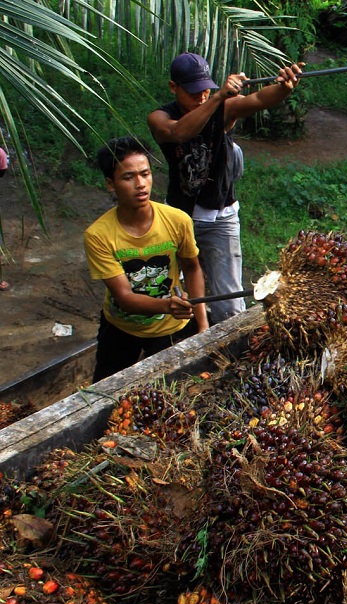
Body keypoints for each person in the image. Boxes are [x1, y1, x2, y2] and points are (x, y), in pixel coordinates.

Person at [147, 53, 303, 325]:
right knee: (171, 293)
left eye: (206, 89)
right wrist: (218, 97)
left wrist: (282, 87)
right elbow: (180, 133)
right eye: (194, 91)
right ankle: (186, 335)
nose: (202, 96)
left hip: (221, 218)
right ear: (174, 87)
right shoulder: (160, 118)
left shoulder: (224, 107)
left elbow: (257, 100)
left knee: (230, 304)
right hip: (179, 218)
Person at [84, 136, 208, 382]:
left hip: (171, 328)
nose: (141, 184)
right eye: (128, 177)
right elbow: (126, 298)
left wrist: (203, 325)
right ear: (111, 183)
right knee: (105, 395)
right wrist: (167, 306)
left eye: (145, 174)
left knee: (174, 393)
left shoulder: (177, 220)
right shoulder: (98, 235)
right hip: (121, 328)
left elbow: (192, 268)